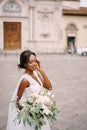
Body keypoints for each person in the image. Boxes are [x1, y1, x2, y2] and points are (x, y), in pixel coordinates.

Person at [6, 50, 52, 130]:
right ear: (25, 64)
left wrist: (41, 70)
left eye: (35, 61)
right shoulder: (25, 80)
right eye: (31, 62)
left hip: (38, 111)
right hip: (30, 114)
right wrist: (31, 112)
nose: (34, 63)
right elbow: (17, 101)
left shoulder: (36, 74)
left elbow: (49, 87)